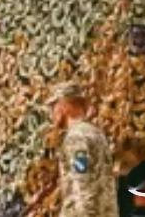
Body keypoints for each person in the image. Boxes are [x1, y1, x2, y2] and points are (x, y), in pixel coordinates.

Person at [49, 82, 119, 217]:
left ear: (64, 106)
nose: (52, 113)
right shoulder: (97, 134)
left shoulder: (75, 137)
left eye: (54, 106)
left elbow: (81, 182)